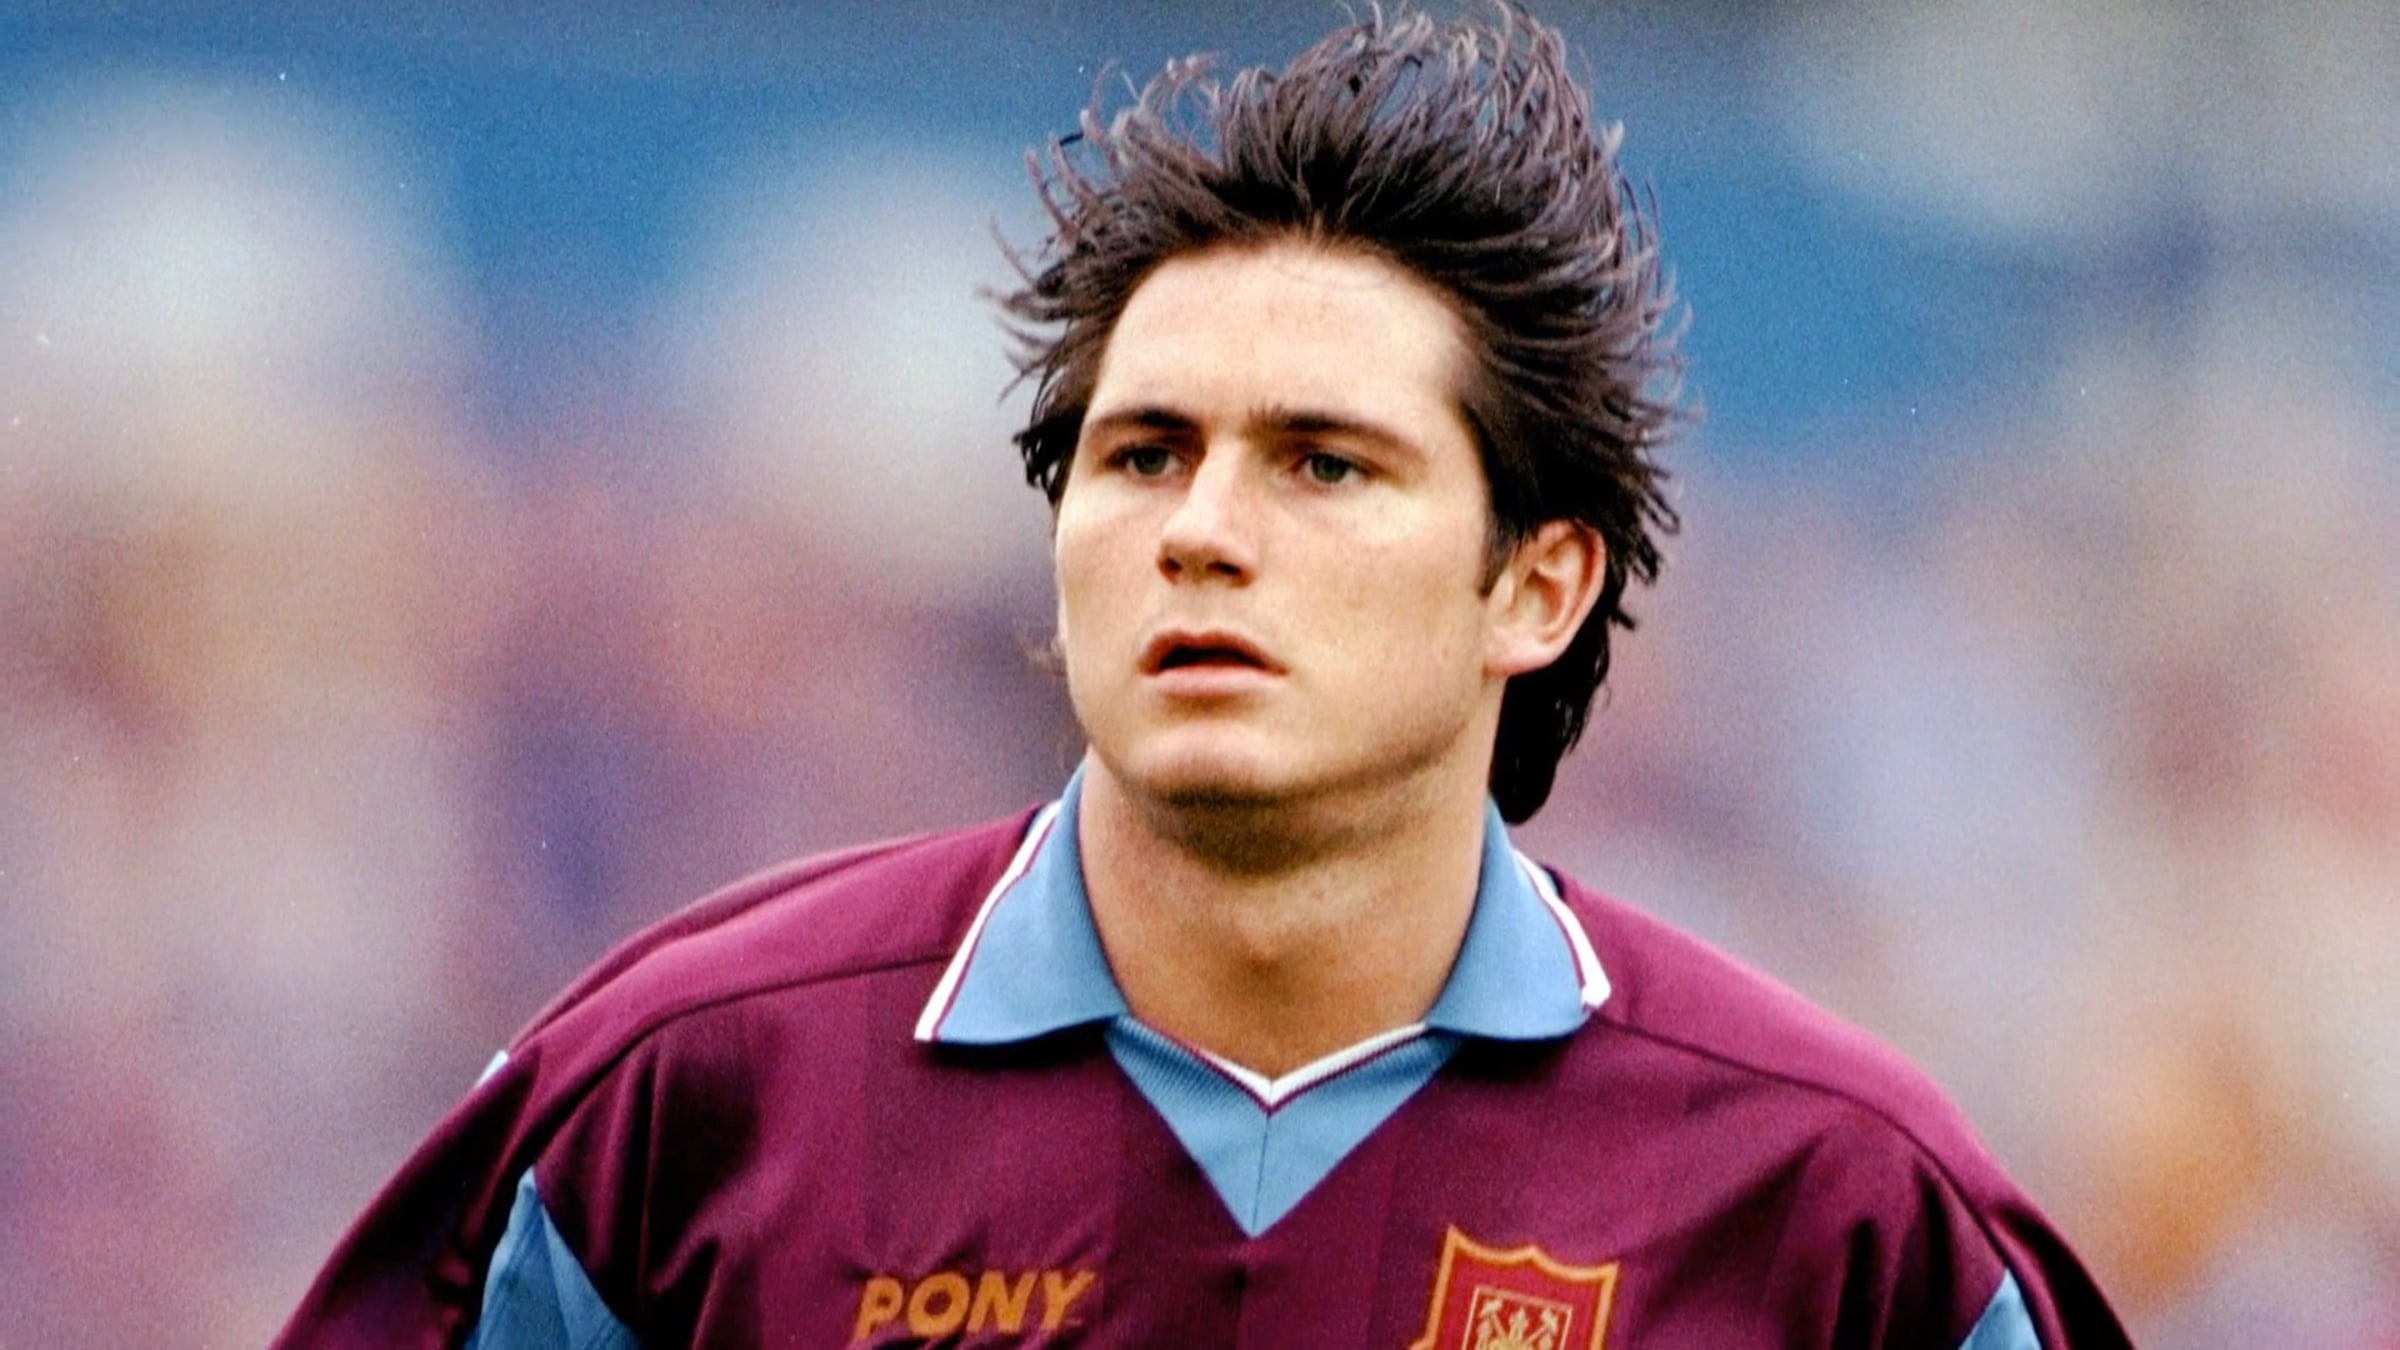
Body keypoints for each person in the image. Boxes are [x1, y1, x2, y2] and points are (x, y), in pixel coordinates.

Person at [280, 4, 2131, 1346]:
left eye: (1325, 462)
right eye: (1144, 452)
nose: (1203, 529)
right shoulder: (684, 1108)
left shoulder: (1836, 1209)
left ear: (1538, 582)